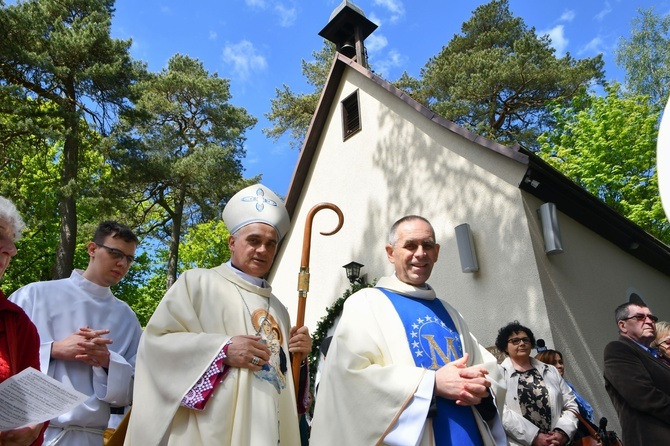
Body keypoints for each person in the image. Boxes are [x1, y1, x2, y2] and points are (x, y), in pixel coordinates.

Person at [124, 184, 312, 445]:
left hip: (268, 427)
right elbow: (156, 344)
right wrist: (222, 350)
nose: (263, 251)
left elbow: (283, 379)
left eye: (271, 244)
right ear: (232, 243)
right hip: (211, 429)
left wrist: (298, 357)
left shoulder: (279, 308)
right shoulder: (197, 283)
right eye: (254, 241)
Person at [310, 215, 507, 445]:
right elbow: (348, 377)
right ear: (391, 253)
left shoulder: (450, 312)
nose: (420, 253)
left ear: (437, 252)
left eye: (428, 246)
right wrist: (432, 383)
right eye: (410, 245)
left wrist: (481, 387)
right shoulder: (366, 303)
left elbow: (488, 370)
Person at [10, 221, 143, 446]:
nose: (122, 263)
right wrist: (53, 349)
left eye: (129, 259)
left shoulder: (127, 318)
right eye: (115, 253)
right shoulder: (35, 295)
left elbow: (135, 389)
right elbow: (5, 355)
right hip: (32, 434)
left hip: (90, 437)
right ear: (92, 249)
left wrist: (108, 363)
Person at [0, 196, 46, 446]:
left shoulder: (18, 324)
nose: (11, 249)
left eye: (12, 241)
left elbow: (34, 406)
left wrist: (32, 428)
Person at [496, 321, 577, 446]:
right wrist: (535, 437)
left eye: (525, 340)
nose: (522, 343)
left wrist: (562, 432)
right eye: (515, 341)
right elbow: (501, 412)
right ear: (505, 347)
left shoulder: (551, 371)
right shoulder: (498, 375)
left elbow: (570, 404)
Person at [603, 301, 670, 444]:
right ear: (623, 325)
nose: (649, 321)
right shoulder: (618, 349)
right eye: (640, 317)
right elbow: (644, 396)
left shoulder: (656, 357)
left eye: (652, 318)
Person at [535, 349, 596, 441]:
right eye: (554, 363)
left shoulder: (567, 386)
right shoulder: (544, 391)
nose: (559, 366)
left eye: (560, 362)